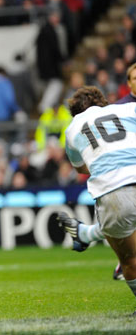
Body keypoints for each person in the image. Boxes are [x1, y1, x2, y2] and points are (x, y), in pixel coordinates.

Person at [61, 86, 136, 313]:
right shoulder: (130, 109)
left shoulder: (72, 129)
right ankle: (85, 233)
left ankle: (85, 234)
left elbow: (82, 168)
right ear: (104, 103)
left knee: (130, 261)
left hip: (113, 192)